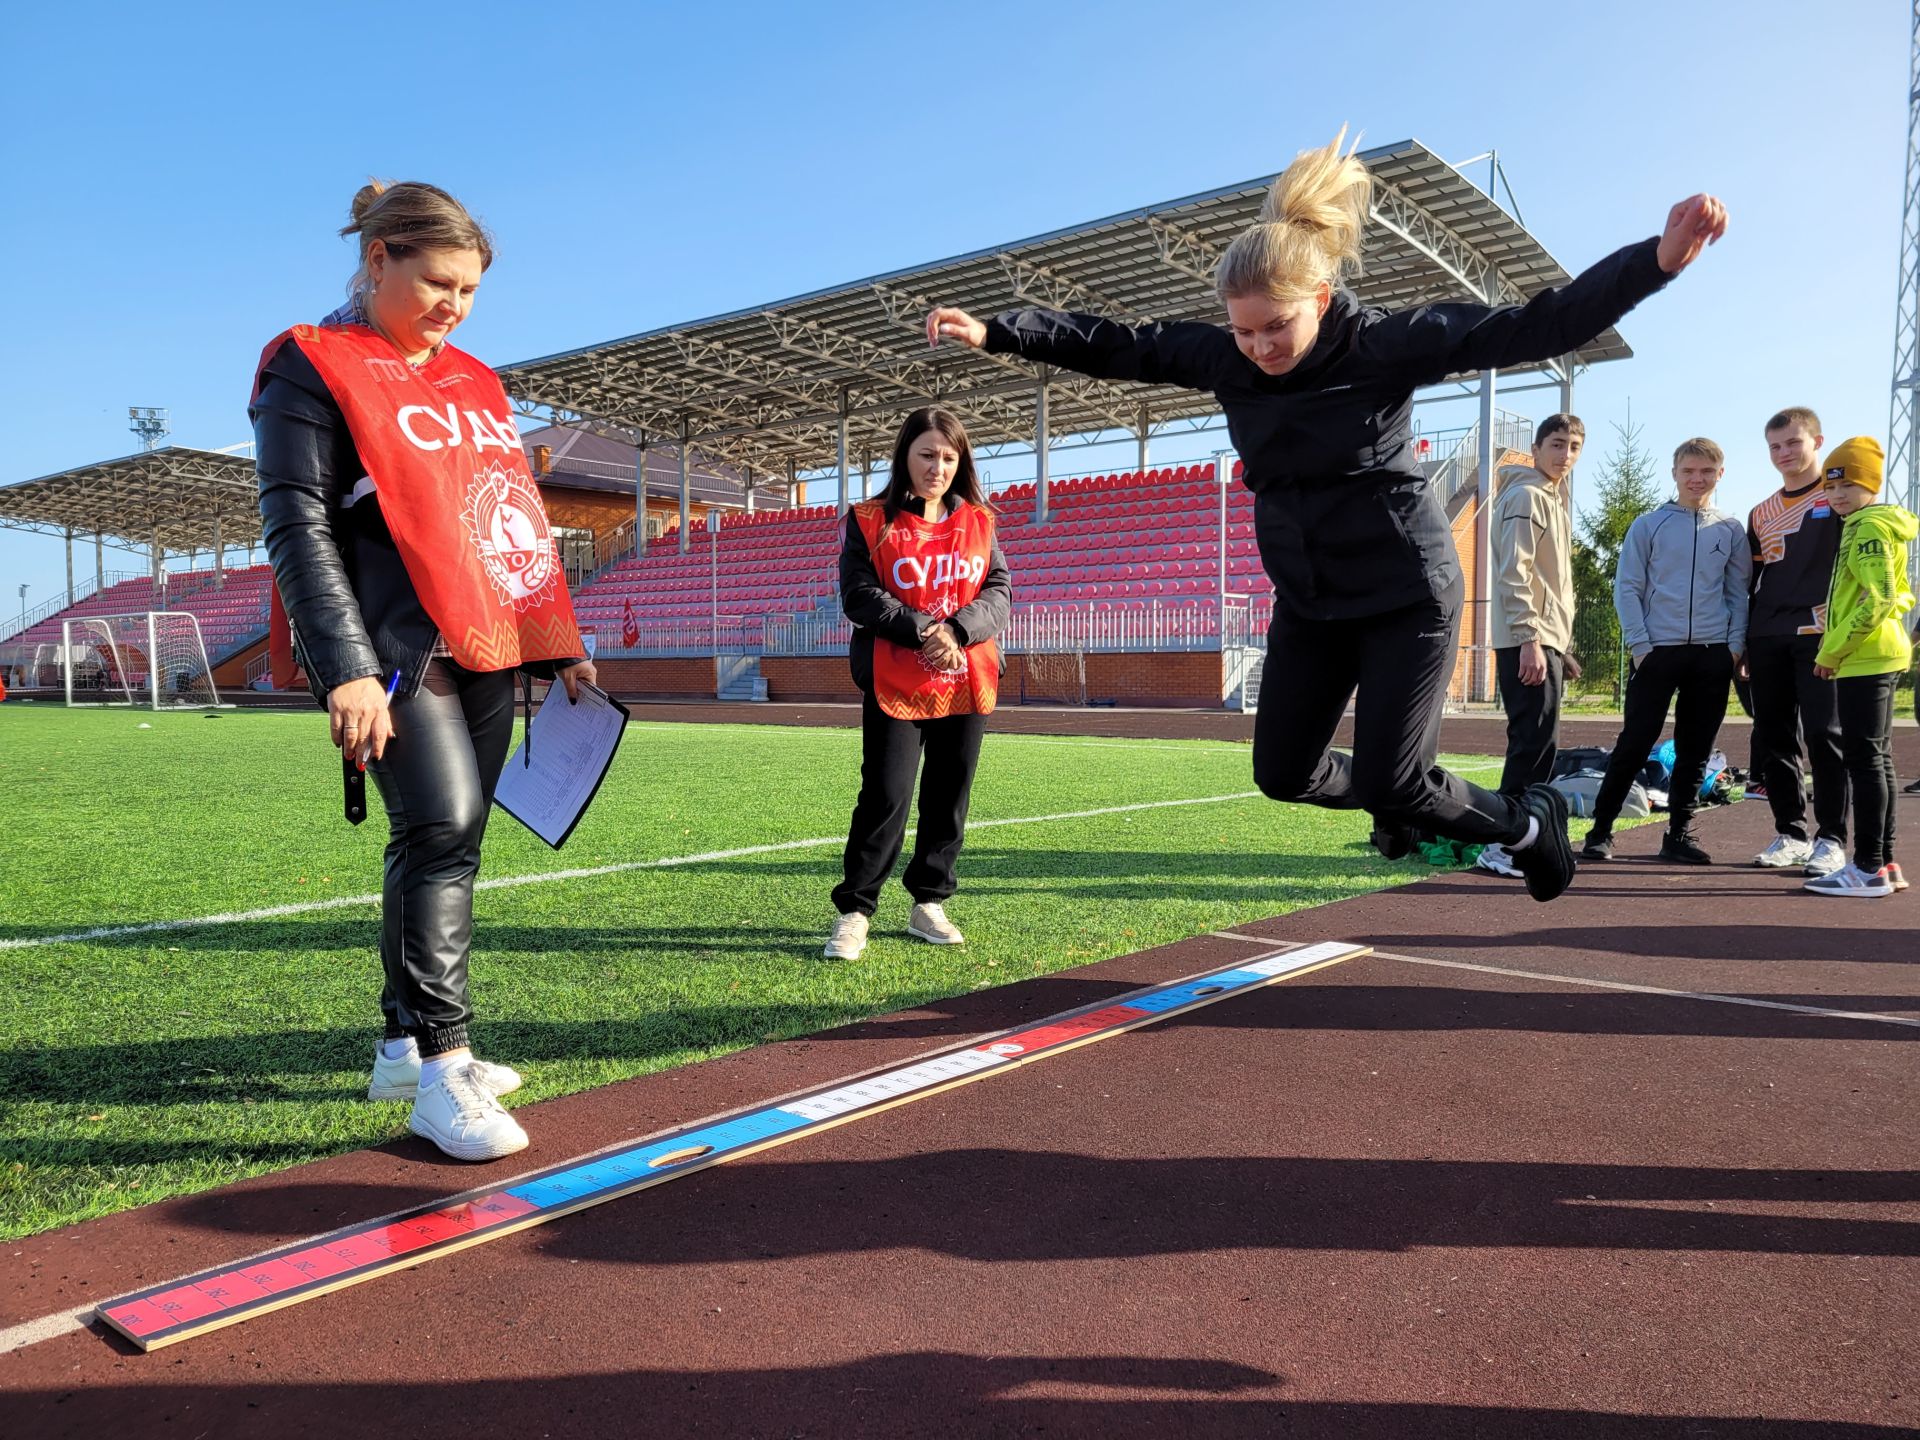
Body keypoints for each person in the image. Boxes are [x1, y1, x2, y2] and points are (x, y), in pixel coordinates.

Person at [924, 130, 1727, 902]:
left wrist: (1652, 265)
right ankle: (1400, 798)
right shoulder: (1225, 357)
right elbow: (1118, 343)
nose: (1261, 347)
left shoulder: (1383, 345)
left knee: (1395, 779)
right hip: (1310, 601)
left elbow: (1533, 325)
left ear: (1319, 296)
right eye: (1243, 331)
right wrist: (999, 332)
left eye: (1278, 326)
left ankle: (1525, 822)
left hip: (1404, 595)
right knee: (1283, 774)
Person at [253, 180, 595, 1161]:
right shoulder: (309, 368)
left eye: (471, 290)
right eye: (436, 281)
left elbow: (512, 508)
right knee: (440, 826)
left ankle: (403, 1046)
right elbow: (298, 527)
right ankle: (447, 1073)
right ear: (377, 262)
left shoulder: (475, 380)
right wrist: (346, 668)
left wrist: (556, 631)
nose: (453, 303)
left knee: (451, 839)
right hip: (395, 648)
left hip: (488, 638)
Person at [824, 408, 1011, 960]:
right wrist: (924, 629)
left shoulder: (980, 521)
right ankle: (855, 909)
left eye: (949, 457)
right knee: (886, 793)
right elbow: (858, 593)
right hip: (895, 680)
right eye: (928, 454)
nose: (938, 466)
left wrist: (955, 630)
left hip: (965, 677)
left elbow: (998, 592)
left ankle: (929, 902)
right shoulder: (870, 521)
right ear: (905, 455)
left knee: (949, 796)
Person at [1581, 439, 1750, 864]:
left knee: (1695, 749)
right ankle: (1600, 831)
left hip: (1711, 655)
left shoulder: (1730, 530)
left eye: (1706, 472)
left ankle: (1678, 834)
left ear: (1720, 474)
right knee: (1635, 743)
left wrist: (1732, 647)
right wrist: (1641, 645)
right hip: (1657, 652)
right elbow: (1628, 588)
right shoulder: (1648, 526)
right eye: (1689, 471)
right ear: (1674, 473)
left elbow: (1738, 594)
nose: (1697, 479)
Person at [1476, 414, 1585, 878]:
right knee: (1531, 743)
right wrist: (1530, 639)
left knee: (1541, 742)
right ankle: (1504, 844)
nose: (1566, 455)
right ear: (1536, 449)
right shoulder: (1525, 496)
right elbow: (1514, 573)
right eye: (1557, 444)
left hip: (1543, 639)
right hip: (1528, 640)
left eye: (1575, 447)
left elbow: (1549, 583)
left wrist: (1560, 644)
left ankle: (1523, 837)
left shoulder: (1550, 499)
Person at [1805, 437, 1915, 897]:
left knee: (1865, 761)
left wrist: (1832, 649)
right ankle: (1883, 863)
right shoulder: (1872, 524)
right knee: (1878, 760)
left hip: (1864, 656)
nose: (1838, 495)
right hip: (1875, 651)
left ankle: (1868, 866)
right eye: (1831, 488)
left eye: (1848, 484)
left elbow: (1881, 598)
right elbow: (1901, 593)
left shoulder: (1868, 526)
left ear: (1870, 484)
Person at [1743, 407, 1848, 875]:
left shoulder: (1840, 498)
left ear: (1817, 442)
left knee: (1826, 736)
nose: (1784, 453)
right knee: (1774, 737)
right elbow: (1755, 577)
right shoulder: (1760, 511)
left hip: (1821, 634)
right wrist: (1743, 640)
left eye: (1793, 443)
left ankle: (1832, 838)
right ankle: (1791, 832)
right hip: (1766, 635)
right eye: (1775, 446)